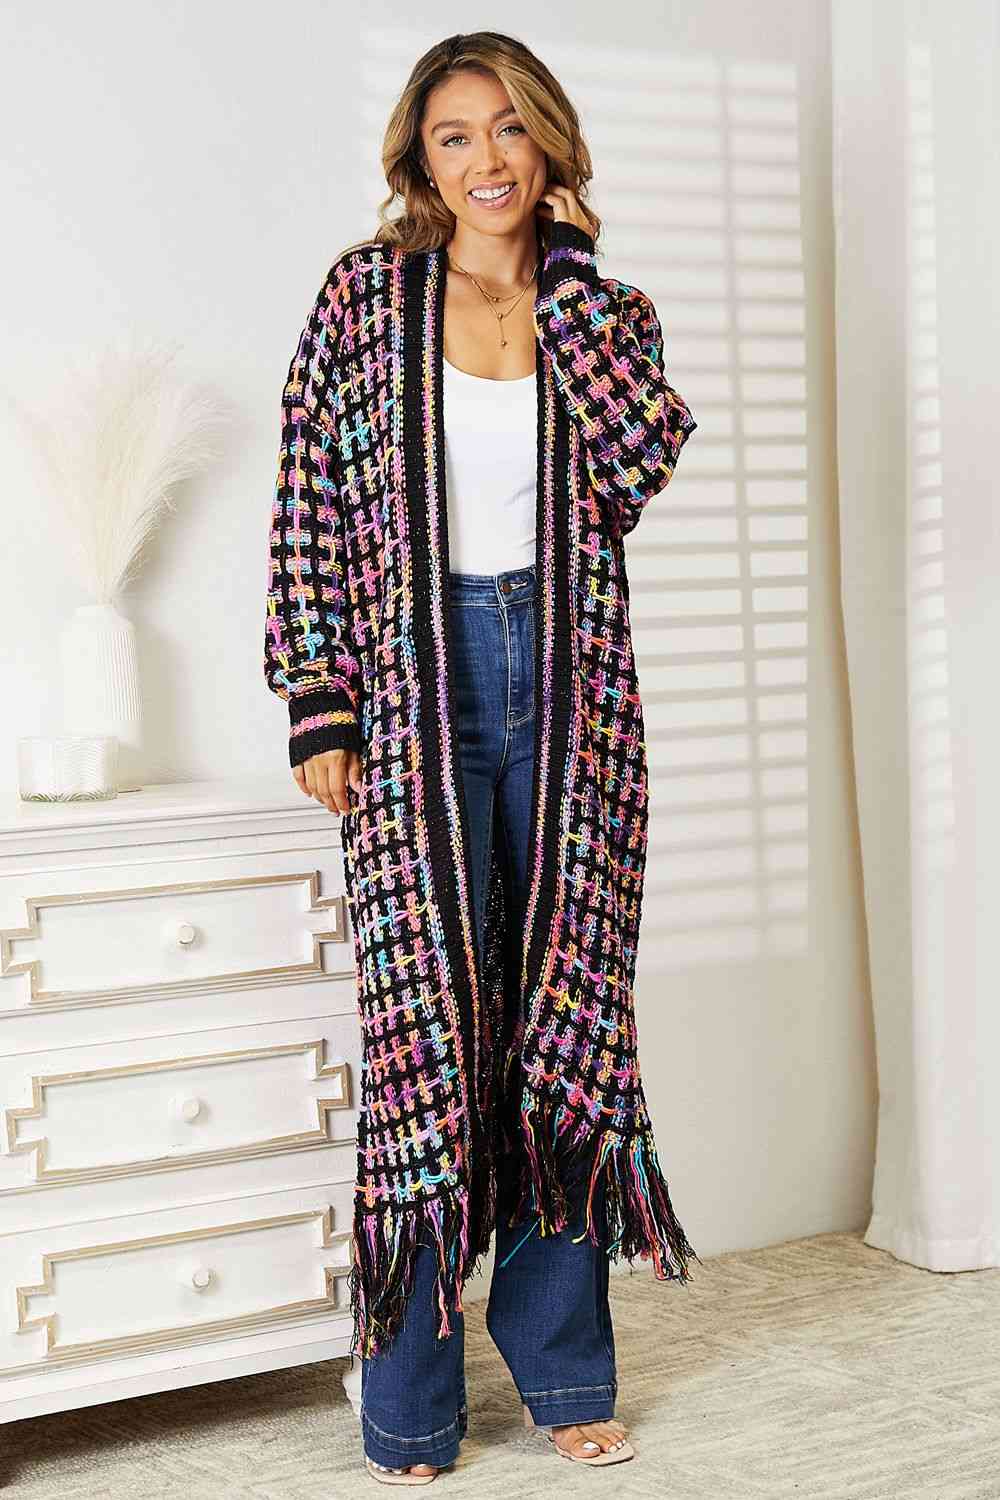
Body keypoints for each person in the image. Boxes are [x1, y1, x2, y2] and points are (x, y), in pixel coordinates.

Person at [264, 29, 699, 1486]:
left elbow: (637, 465)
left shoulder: (608, 312)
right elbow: (311, 495)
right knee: (428, 1045)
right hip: (411, 687)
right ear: (420, 158)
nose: (487, 160)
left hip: (575, 697)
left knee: (568, 1037)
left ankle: (566, 1370)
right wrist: (319, 700)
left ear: (549, 143)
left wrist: (563, 283)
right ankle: (409, 1407)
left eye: (509, 129)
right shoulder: (365, 297)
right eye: (455, 136)